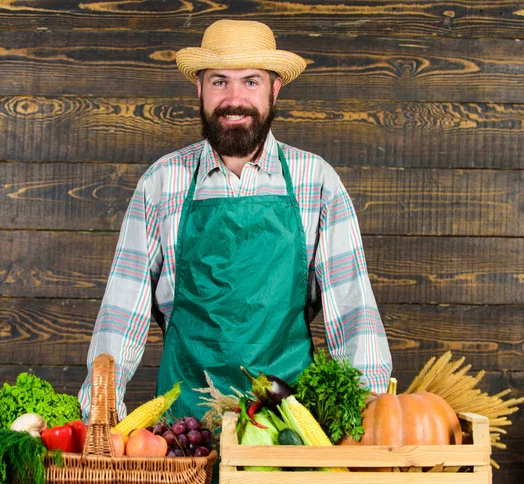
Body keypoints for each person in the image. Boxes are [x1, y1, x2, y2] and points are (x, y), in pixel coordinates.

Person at [79, 19, 392, 423]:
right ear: (200, 89)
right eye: (219, 82)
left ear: (274, 89)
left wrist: (371, 410)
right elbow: (122, 313)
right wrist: (100, 413)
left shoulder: (316, 181)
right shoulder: (162, 182)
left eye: (250, 82)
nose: (234, 98)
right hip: (185, 432)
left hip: (289, 427)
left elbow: (354, 311)